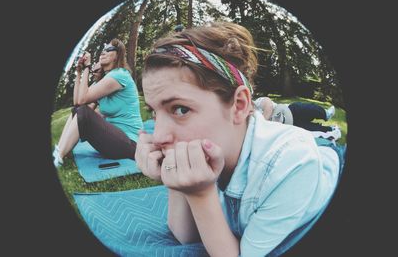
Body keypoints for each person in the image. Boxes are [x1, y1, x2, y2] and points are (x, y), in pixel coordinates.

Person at [135, 22, 345, 256]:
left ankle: (321, 132)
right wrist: (176, 180)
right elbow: (186, 237)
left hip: (325, 160)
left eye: (180, 109)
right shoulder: (209, 147)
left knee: (315, 137)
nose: (160, 135)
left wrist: (201, 194)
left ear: (239, 105)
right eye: (154, 112)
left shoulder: (291, 164)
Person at [53, 39, 143, 168]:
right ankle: (60, 151)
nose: (103, 52)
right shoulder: (102, 83)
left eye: (109, 49)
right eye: (102, 50)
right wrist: (79, 72)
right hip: (113, 141)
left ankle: (59, 157)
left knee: (83, 111)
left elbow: (82, 101)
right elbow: (77, 104)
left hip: (130, 144)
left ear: (117, 55)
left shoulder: (119, 75)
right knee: (79, 111)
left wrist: (87, 68)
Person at [254, 96, 341, 140]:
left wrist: (264, 123)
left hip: (289, 111)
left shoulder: (256, 104)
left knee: (309, 109)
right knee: (309, 130)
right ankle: (330, 129)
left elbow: (268, 103)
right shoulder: (252, 122)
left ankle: (325, 114)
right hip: (288, 126)